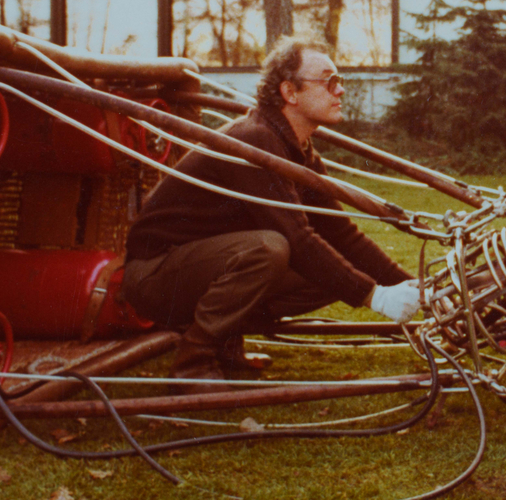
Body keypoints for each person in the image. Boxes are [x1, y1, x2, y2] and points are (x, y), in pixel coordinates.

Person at [122, 37, 420, 394]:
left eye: (339, 80)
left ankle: (225, 344)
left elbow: (342, 235)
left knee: (327, 266)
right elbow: (297, 238)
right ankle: (193, 361)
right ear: (289, 92)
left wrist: (417, 290)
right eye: (328, 81)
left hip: (197, 269)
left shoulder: (297, 149)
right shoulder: (256, 141)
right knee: (270, 248)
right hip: (154, 275)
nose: (339, 90)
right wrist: (376, 297)